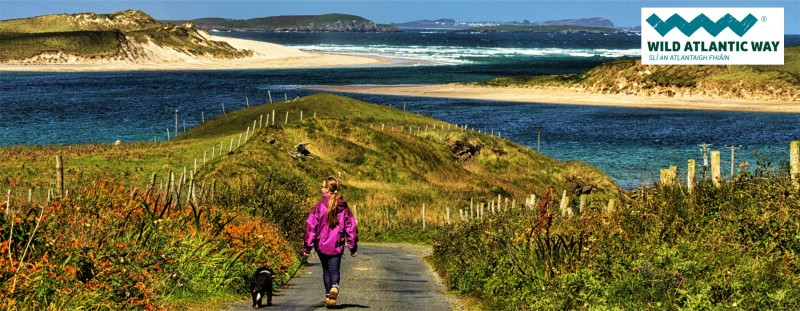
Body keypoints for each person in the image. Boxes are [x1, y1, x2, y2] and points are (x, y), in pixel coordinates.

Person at [303, 176, 358, 308]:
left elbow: (310, 227)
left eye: (323, 186)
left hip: (321, 245)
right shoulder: (344, 207)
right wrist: (352, 246)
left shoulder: (319, 206)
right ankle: (335, 287)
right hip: (336, 244)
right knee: (334, 270)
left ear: (327, 189)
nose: (321, 188)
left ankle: (329, 296)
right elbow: (351, 227)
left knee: (326, 270)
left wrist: (307, 247)